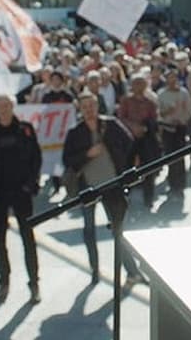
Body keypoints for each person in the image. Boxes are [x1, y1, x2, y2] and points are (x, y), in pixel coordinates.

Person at [62, 92, 146, 285]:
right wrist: (87, 154)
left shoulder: (111, 125)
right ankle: (95, 269)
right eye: (85, 107)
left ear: (97, 105)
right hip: (88, 189)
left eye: (91, 105)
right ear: (80, 109)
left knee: (118, 230)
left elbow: (130, 144)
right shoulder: (76, 132)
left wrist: (127, 169)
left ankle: (132, 271)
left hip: (112, 185)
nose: (89, 110)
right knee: (89, 229)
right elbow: (68, 161)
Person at [0, 94, 43, 304]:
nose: (3, 110)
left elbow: (36, 158)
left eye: (6, 106)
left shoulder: (25, 129)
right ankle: (3, 282)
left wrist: (30, 185)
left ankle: (34, 283)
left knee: (28, 238)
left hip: (21, 192)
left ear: (13, 106)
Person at [117, 73, 160, 206]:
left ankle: (149, 198)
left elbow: (154, 120)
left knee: (148, 168)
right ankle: (125, 196)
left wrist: (145, 128)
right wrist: (132, 126)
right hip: (128, 138)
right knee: (126, 167)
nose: (139, 86)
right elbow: (120, 118)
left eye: (141, 83)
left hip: (145, 139)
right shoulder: (126, 101)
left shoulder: (150, 102)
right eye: (136, 83)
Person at [157, 65, 191, 196]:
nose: (172, 81)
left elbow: (189, 111)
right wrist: (168, 112)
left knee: (180, 156)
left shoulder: (183, 93)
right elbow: (158, 113)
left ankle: (181, 183)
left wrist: (182, 119)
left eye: (174, 78)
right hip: (167, 128)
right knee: (170, 156)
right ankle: (172, 183)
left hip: (180, 128)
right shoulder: (161, 94)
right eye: (169, 78)